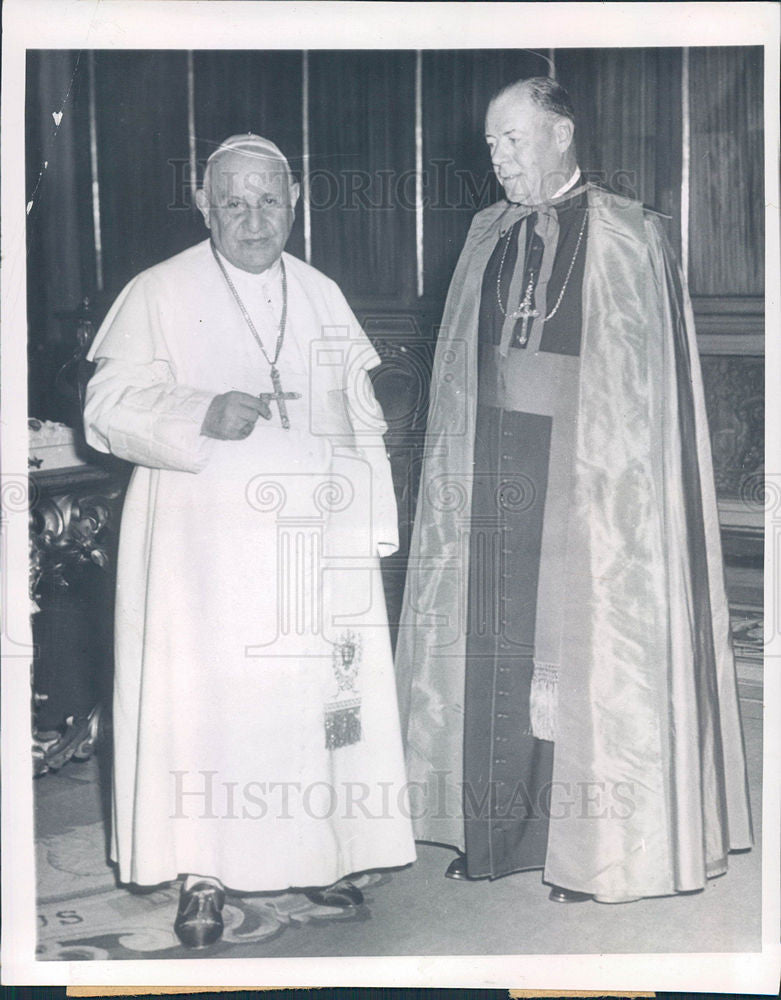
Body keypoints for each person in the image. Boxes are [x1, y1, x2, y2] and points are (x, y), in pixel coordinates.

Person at [394, 78, 753, 904]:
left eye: (511, 141)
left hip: (590, 476)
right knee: (495, 650)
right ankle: (495, 833)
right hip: (495, 468)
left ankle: (588, 847)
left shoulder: (631, 235)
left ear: (559, 135)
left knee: (580, 653)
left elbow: (646, 393)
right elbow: (457, 367)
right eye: (490, 144)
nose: (497, 159)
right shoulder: (486, 233)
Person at [84, 133, 415, 947]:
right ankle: (202, 874)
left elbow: (362, 420)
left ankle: (319, 853)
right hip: (205, 556)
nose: (253, 218)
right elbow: (104, 407)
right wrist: (197, 411)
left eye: (269, 200)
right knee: (211, 709)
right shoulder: (158, 291)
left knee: (310, 708)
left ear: (294, 200)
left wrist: (371, 532)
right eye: (233, 201)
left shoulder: (322, 293)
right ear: (204, 204)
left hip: (310, 552)